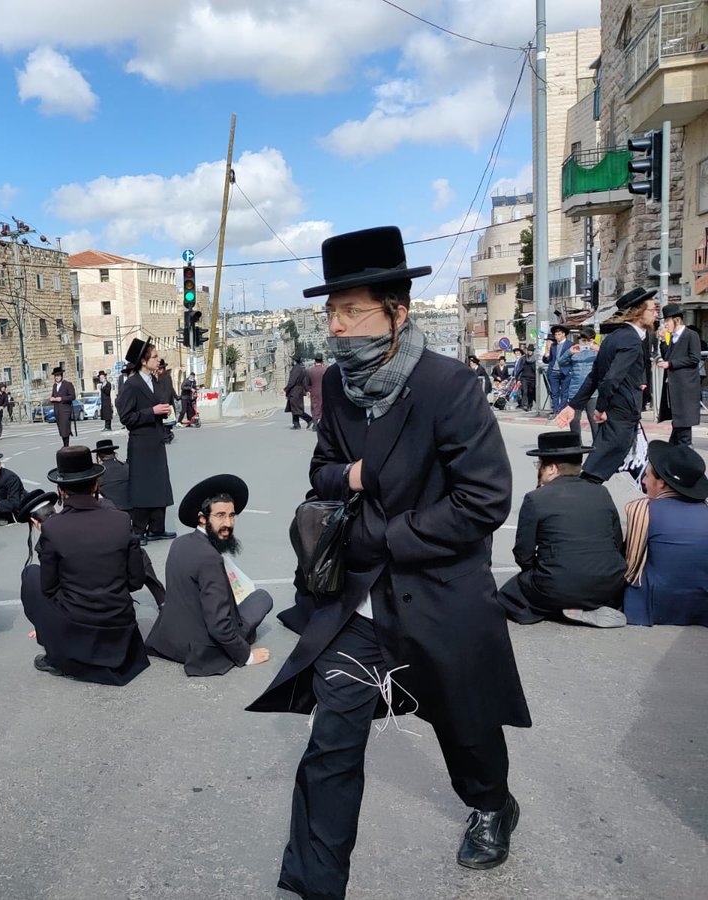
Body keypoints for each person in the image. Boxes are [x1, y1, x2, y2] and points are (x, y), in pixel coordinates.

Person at [248, 226, 530, 898]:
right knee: (332, 744)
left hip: (437, 593)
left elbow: (484, 500)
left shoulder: (449, 388)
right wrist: (351, 476)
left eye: (353, 312)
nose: (339, 328)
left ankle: (492, 805)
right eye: (332, 313)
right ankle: (315, 885)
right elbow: (322, 470)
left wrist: (389, 534)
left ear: (398, 312)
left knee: (465, 727)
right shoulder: (338, 390)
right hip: (357, 604)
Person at [21, 446, 149, 685]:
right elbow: (136, 581)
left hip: (76, 621)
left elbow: (49, 588)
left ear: (60, 490)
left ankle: (56, 650)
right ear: (96, 486)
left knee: (31, 575)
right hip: (118, 620)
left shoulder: (53, 528)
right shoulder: (121, 520)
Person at [145, 475, 273, 675]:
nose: (228, 523)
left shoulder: (179, 543)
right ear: (203, 518)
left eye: (232, 516)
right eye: (220, 515)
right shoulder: (209, 559)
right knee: (262, 598)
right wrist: (246, 656)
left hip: (169, 639)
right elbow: (219, 626)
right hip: (201, 648)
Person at [496, 433, 626, 628]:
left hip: (557, 584)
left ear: (551, 468)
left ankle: (561, 609)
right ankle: (585, 606)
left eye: (538, 465)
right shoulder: (601, 492)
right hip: (608, 584)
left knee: (508, 595)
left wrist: (540, 572)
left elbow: (524, 554)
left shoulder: (536, 498)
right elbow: (616, 541)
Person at [555, 288, 659, 483]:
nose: (656, 313)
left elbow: (595, 376)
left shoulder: (613, 338)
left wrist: (574, 405)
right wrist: (600, 408)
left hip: (623, 412)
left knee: (641, 466)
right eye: (653, 309)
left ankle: (661, 500)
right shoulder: (631, 340)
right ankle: (575, 499)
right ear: (638, 312)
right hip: (622, 412)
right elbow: (610, 378)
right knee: (598, 469)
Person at [621, 440, 708, 626]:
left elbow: (631, 568)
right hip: (701, 604)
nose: (643, 482)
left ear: (661, 483)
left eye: (646, 476)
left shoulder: (642, 509)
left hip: (655, 604)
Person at [93, 438, 166, 608]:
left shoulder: (97, 475)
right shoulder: (126, 468)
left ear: (98, 457)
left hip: (108, 520)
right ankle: (161, 598)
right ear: (114, 453)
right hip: (130, 515)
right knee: (140, 558)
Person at [116, 338, 176, 544]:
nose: (158, 360)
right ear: (143, 361)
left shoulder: (156, 381)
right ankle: (138, 530)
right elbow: (126, 417)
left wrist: (163, 411)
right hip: (141, 443)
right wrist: (152, 411)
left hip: (156, 440)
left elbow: (158, 405)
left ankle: (157, 527)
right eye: (154, 356)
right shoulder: (132, 385)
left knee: (160, 484)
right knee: (142, 487)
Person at [657, 303, 702, 447]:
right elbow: (667, 356)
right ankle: (675, 457)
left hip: (685, 386)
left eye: (667, 321)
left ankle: (684, 458)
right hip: (674, 386)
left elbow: (694, 358)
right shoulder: (673, 337)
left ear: (676, 320)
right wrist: (663, 341)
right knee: (678, 425)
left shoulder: (690, 335)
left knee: (683, 425)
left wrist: (671, 364)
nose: (666, 325)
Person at [558, 326, 600, 442]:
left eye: (588, 340)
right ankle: (576, 446)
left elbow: (609, 360)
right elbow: (561, 362)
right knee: (574, 421)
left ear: (593, 340)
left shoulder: (597, 352)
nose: (585, 343)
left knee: (594, 422)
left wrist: (598, 349)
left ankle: (597, 448)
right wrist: (569, 352)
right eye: (583, 340)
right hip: (575, 391)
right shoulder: (575, 351)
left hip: (592, 392)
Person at [542, 325, 572, 414]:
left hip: (565, 372)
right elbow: (548, 360)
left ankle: (562, 410)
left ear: (564, 334)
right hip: (553, 372)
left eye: (559, 334)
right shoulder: (553, 346)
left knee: (564, 393)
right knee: (554, 393)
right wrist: (546, 355)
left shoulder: (570, 345)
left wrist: (571, 370)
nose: (557, 336)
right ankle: (556, 411)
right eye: (555, 334)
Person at [50, 366, 76, 447]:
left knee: (65, 428)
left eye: (58, 375)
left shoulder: (67, 384)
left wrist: (61, 398)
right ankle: (64, 444)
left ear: (61, 376)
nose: (57, 377)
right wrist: (52, 399)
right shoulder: (54, 386)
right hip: (57, 410)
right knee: (61, 429)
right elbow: (53, 395)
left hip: (65, 410)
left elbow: (72, 396)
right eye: (55, 376)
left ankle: (66, 445)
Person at [284, 356, 312, 429]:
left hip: (294, 391)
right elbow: (304, 382)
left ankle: (309, 419)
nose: (291, 361)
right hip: (299, 391)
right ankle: (296, 424)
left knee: (297, 409)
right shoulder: (301, 368)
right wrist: (307, 390)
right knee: (294, 408)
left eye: (292, 360)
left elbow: (292, 381)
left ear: (294, 361)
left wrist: (285, 389)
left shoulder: (295, 369)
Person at [155, 359, 178, 444]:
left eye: (159, 369)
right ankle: (167, 436)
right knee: (164, 424)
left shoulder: (166, 377)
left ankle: (167, 437)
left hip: (165, 403)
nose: (158, 370)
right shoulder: (159, 377)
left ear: (163, 369)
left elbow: (168, 391)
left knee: (166, 424)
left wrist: (165, 403)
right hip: (162, 403)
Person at [305, 355, 327, 430]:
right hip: (324, 391)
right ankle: (324, 423)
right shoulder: (325, 369)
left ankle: (315, 424)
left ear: (315, 361)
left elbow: (307, 383)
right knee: (323, 406)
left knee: (314, 406)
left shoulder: (310, 370)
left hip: (314, 391)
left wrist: (308, 390)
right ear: (322, 361)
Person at [517, 344, 537, 411]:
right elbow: (519, 368)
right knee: (524, 391)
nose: (529, 352)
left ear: (533, 351)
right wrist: (517, 378)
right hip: (524, 378)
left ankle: (530, 405)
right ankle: (525, 405)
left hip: (533, 378)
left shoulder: (535, 359)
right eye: (528, 350)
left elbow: (536, 370)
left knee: (531, 392)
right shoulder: (523, 358)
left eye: (531, 351)